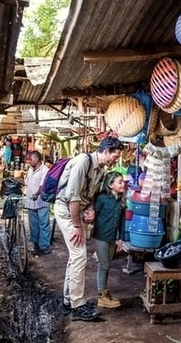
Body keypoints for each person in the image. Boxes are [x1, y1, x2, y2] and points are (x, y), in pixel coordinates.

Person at [54, 136, 125, 322]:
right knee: (79, 255)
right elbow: (73, 198)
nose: (116, 160)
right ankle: (77, 307)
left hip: (78, 212)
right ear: (107, 151)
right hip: (66, 210)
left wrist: (90, 209)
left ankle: (67, 301)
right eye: (115, 156)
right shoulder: (82, 162)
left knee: (75, 256)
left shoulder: (100, 170)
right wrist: (77, 225)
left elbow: (89, 197)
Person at [92, 171, 125, 309]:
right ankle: (102, 296)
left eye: (123, 181)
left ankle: (105, 292)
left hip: (112, 237)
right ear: (111, 185)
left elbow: (122, 221)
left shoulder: (121, 200)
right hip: (100, 236)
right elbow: (94, 215)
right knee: (104, 265)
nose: (123, 184)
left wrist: (121, 238)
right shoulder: (101, 198)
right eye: (120, 182)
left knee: (107, 266)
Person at [24, 150, 52, 256]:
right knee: (33, 225)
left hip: (42, 202)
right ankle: (36, 245)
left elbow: (42, 185)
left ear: (36, 158)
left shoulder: (45, 170)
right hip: (31, 202)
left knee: (43, 224)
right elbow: (26, 183)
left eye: (31, 159)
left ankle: (44, 246)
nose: (29, 162)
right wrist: (16, 180)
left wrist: (36, 194)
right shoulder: (30, 170)